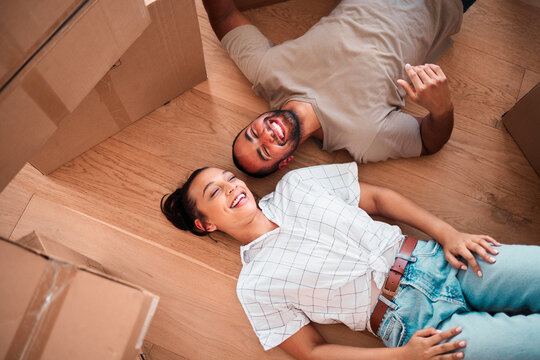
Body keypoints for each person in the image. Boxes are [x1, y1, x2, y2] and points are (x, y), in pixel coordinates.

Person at [161, 162, 540, 359]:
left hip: (439, 260)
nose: (233, 187)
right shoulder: (254, 286)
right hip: (413, 325)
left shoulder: (296, 185)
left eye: (229, 178)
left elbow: (378, 200)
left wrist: (447, 233)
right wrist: (404, 358)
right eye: (216, 191)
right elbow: (312, 352)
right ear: (206, 223)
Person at [202, 0, 475, 177]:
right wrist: (442, 108)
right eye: (264, 151)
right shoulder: (363, 138)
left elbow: (223, 15)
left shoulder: (266, 72)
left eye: (253, 134)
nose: (266, 136)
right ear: (285, 161)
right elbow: (429, 142)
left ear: (255, 122)